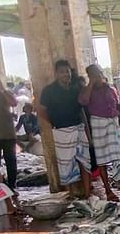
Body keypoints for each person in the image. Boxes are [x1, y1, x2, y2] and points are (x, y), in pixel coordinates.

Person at [78, 64, 120, 201]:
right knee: (102, 160)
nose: (97, 77)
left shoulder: (110, 89)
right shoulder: (87, 90)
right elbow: (83, 101)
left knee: (119, 157)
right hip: (98, 124)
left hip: (113, 124)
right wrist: (91, 84)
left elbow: (117, 108)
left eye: (98, 73)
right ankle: (108, 191)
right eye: (93, 75)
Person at [38, 60, 90, 195]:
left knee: (84, 162)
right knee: (66, 165)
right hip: (61, 130)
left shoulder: (75, 88)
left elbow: (81, 111)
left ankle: (87, 192)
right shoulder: (49, 91)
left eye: (67, 71)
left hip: (78, 127)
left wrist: (86, 131)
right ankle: (70, 195)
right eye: (62, 72)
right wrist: (53, 124)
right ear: (56, 74)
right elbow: (41, 111)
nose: (66, 74)